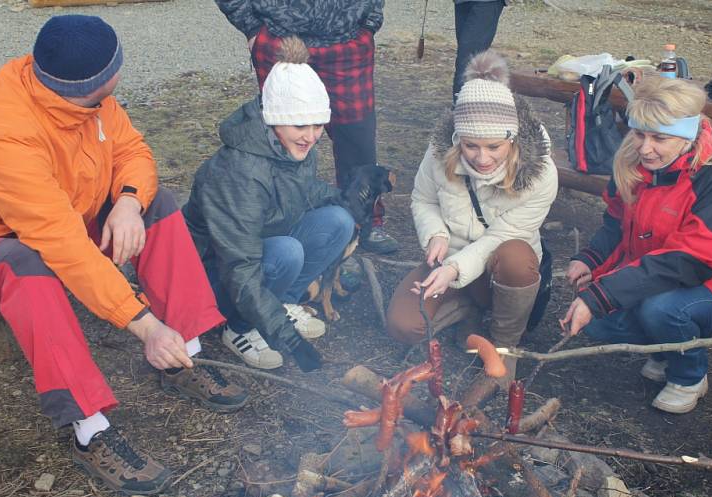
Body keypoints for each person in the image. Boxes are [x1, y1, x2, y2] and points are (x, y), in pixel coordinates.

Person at [0, 15, 249, 495]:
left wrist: (129, 201)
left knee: (159, 204)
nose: (119, 81)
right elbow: (60, 243)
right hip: (0, 242)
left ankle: (183, 355)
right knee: (27, 265)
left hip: (66, 214)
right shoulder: (5, 129)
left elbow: (134, 152)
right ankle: (89, 429)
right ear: (87, 87)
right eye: (114, 75)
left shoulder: (92, 102)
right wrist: (142, 324)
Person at [562, 76, 712, 414]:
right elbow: (615, 222)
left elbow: (692, 260)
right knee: (599, 320)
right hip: (654, 271)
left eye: (660, 138)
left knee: (661, 308)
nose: (644, 148)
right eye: (639, 133)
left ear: (688, 136)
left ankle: (689, 375)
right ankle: (665, 349)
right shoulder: (632, 164)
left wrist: (603, 294)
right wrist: (591, 259)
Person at [183, 37, 356, 373]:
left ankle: (279, 303)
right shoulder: (239, 172)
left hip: (260, 244)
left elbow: (302, 189)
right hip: (210, 275)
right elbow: (240, 266)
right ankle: (240, 327)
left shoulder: (291, 144)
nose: (311, 135)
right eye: (301, 125)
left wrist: (346, 199)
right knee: (286, 252)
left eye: (318, 125)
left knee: (338, 221)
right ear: (274, 119)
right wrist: (287, 338)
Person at [387, 50, 558, 352]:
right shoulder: (440, 152)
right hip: (450, 260)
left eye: (494, 147)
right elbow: (423, 199)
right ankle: (467, 310)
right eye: (470, 146)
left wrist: (453, 269)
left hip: (502, 269)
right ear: (457, 139)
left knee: (516, 257)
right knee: (404, 326)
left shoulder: (540, 172)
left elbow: (502, 235)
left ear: (512, 139)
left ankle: (504, 347)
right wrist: (436, 234)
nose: (482, 158)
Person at [213, 0, 399, 255]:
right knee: (282, 142)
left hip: (349, 40)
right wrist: (251, 26)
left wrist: (369, 21)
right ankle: (290, 228)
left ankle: (360, 227)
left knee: (358, 140)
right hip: (279, 38)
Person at [452, 0, 508, 103]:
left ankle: (463, 107)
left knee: (467, 58)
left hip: (487, 3)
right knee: (466, 55)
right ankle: (466, 106)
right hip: (462, 2)